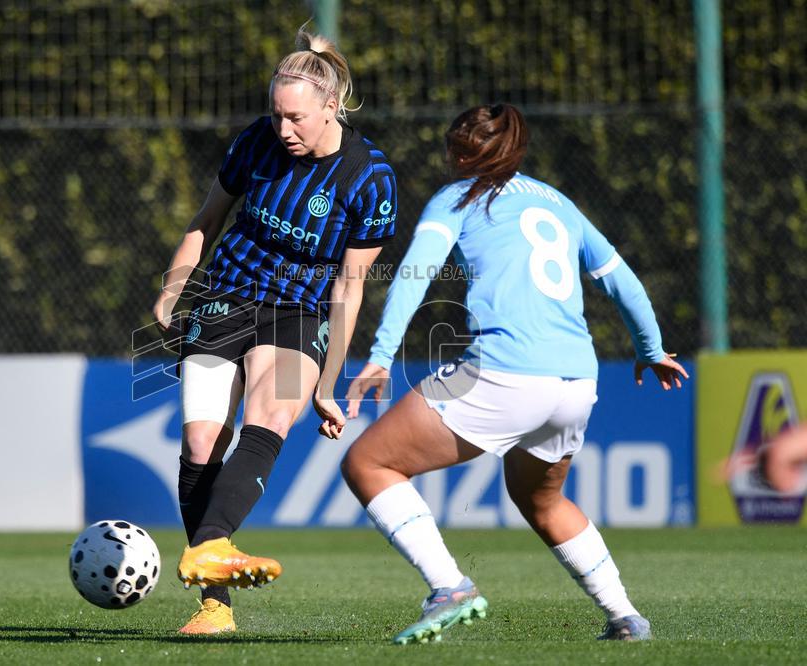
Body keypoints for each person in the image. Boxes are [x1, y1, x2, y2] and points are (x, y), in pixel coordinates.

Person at [337, 103, 688, 645]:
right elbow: (623, 283)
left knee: (368, 462)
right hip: (577, 383)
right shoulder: (559, 203)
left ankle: (449, 586)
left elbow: (413, 274)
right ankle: (625, 616)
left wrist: (381, 355)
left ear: (458, 153)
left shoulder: (456, 198)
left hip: (502, 373)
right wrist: (652, 349)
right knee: (543, 500)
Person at [151, 26, 397, 635]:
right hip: (225, 298)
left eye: (296, 118)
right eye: (276, 114)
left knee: (272, 416)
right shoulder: (255, 143)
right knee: (201, 442)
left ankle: (208, 550)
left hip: (299, 311)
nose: (283, 129)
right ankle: (215, 603)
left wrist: (327, 384)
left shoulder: (369, 177)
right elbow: (207, 220)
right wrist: (173, 286)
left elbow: (350, 287)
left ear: (331, 106)